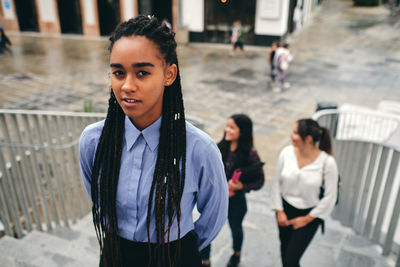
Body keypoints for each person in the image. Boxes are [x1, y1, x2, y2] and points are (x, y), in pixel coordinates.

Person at [79, 15, 229, 267]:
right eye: (118, 72)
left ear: (169, 75)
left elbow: (213, 218)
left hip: (174, 258)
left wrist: (181, 251)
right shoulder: (94, 141)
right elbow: (97, 197)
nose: (127, 85)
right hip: (116, 256)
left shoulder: (198, 149)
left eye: (142, 73)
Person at [272, 119, 338, 267]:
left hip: (310, 215)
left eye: (295, 132)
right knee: (284, 249)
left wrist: (306, 219)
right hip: (285, 210)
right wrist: (279, 211)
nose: (291, 135)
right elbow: (276, 183)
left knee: (291, 259)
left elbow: (330, 197)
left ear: (308, 139)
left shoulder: (327, 163)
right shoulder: (286, 152)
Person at [200, 114, 264, 267]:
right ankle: (205, 260)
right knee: (206, 231)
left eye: (232, 127)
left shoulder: (250, 154)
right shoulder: (218, 147)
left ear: (242, 132)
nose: (227, 130)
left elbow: (260, 181)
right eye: (227, 126)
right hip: (215, 199)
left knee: (236, 229)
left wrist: (241, 187)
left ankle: (236, 253)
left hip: (236, 201)